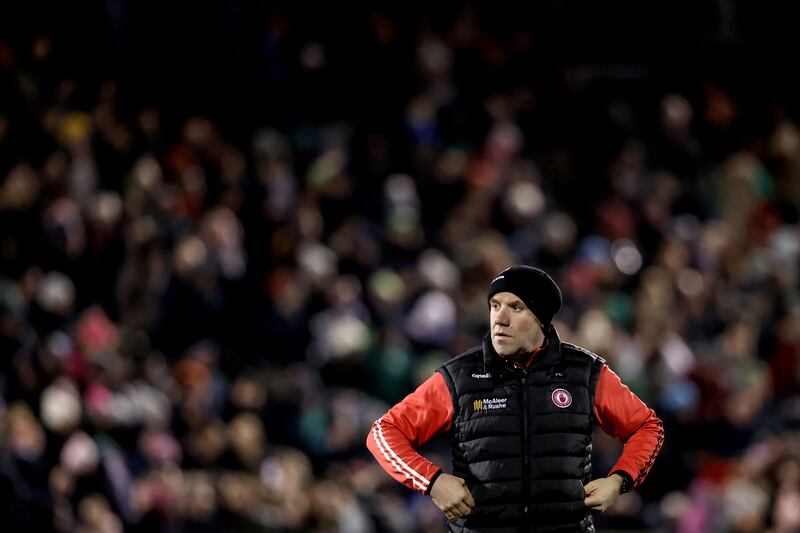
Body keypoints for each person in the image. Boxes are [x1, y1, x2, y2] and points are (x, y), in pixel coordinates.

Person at [367, 265, 664, 532]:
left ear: (542, 319)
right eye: (495, 306)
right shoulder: (460, 377)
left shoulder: (585, 373)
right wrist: (432, 482)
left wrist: (619, 481)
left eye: (516, 307)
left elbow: (647, 427)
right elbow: (384, 432)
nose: (500, 318)